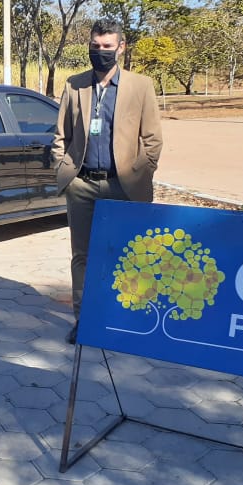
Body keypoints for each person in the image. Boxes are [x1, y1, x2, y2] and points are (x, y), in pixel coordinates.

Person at [52, 18, 164, 345]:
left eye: (107, 46)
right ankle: (84, 320)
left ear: (121, 47)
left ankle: (126, 319)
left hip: (124, 186)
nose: (100, 51)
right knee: (83, 257)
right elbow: (60, 136)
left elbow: (153, 140)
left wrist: (139, 174)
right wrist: (64, 170)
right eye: (95, 46)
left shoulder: (141, 86)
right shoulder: (74, 85)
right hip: (82, 185)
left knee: (128, 254)